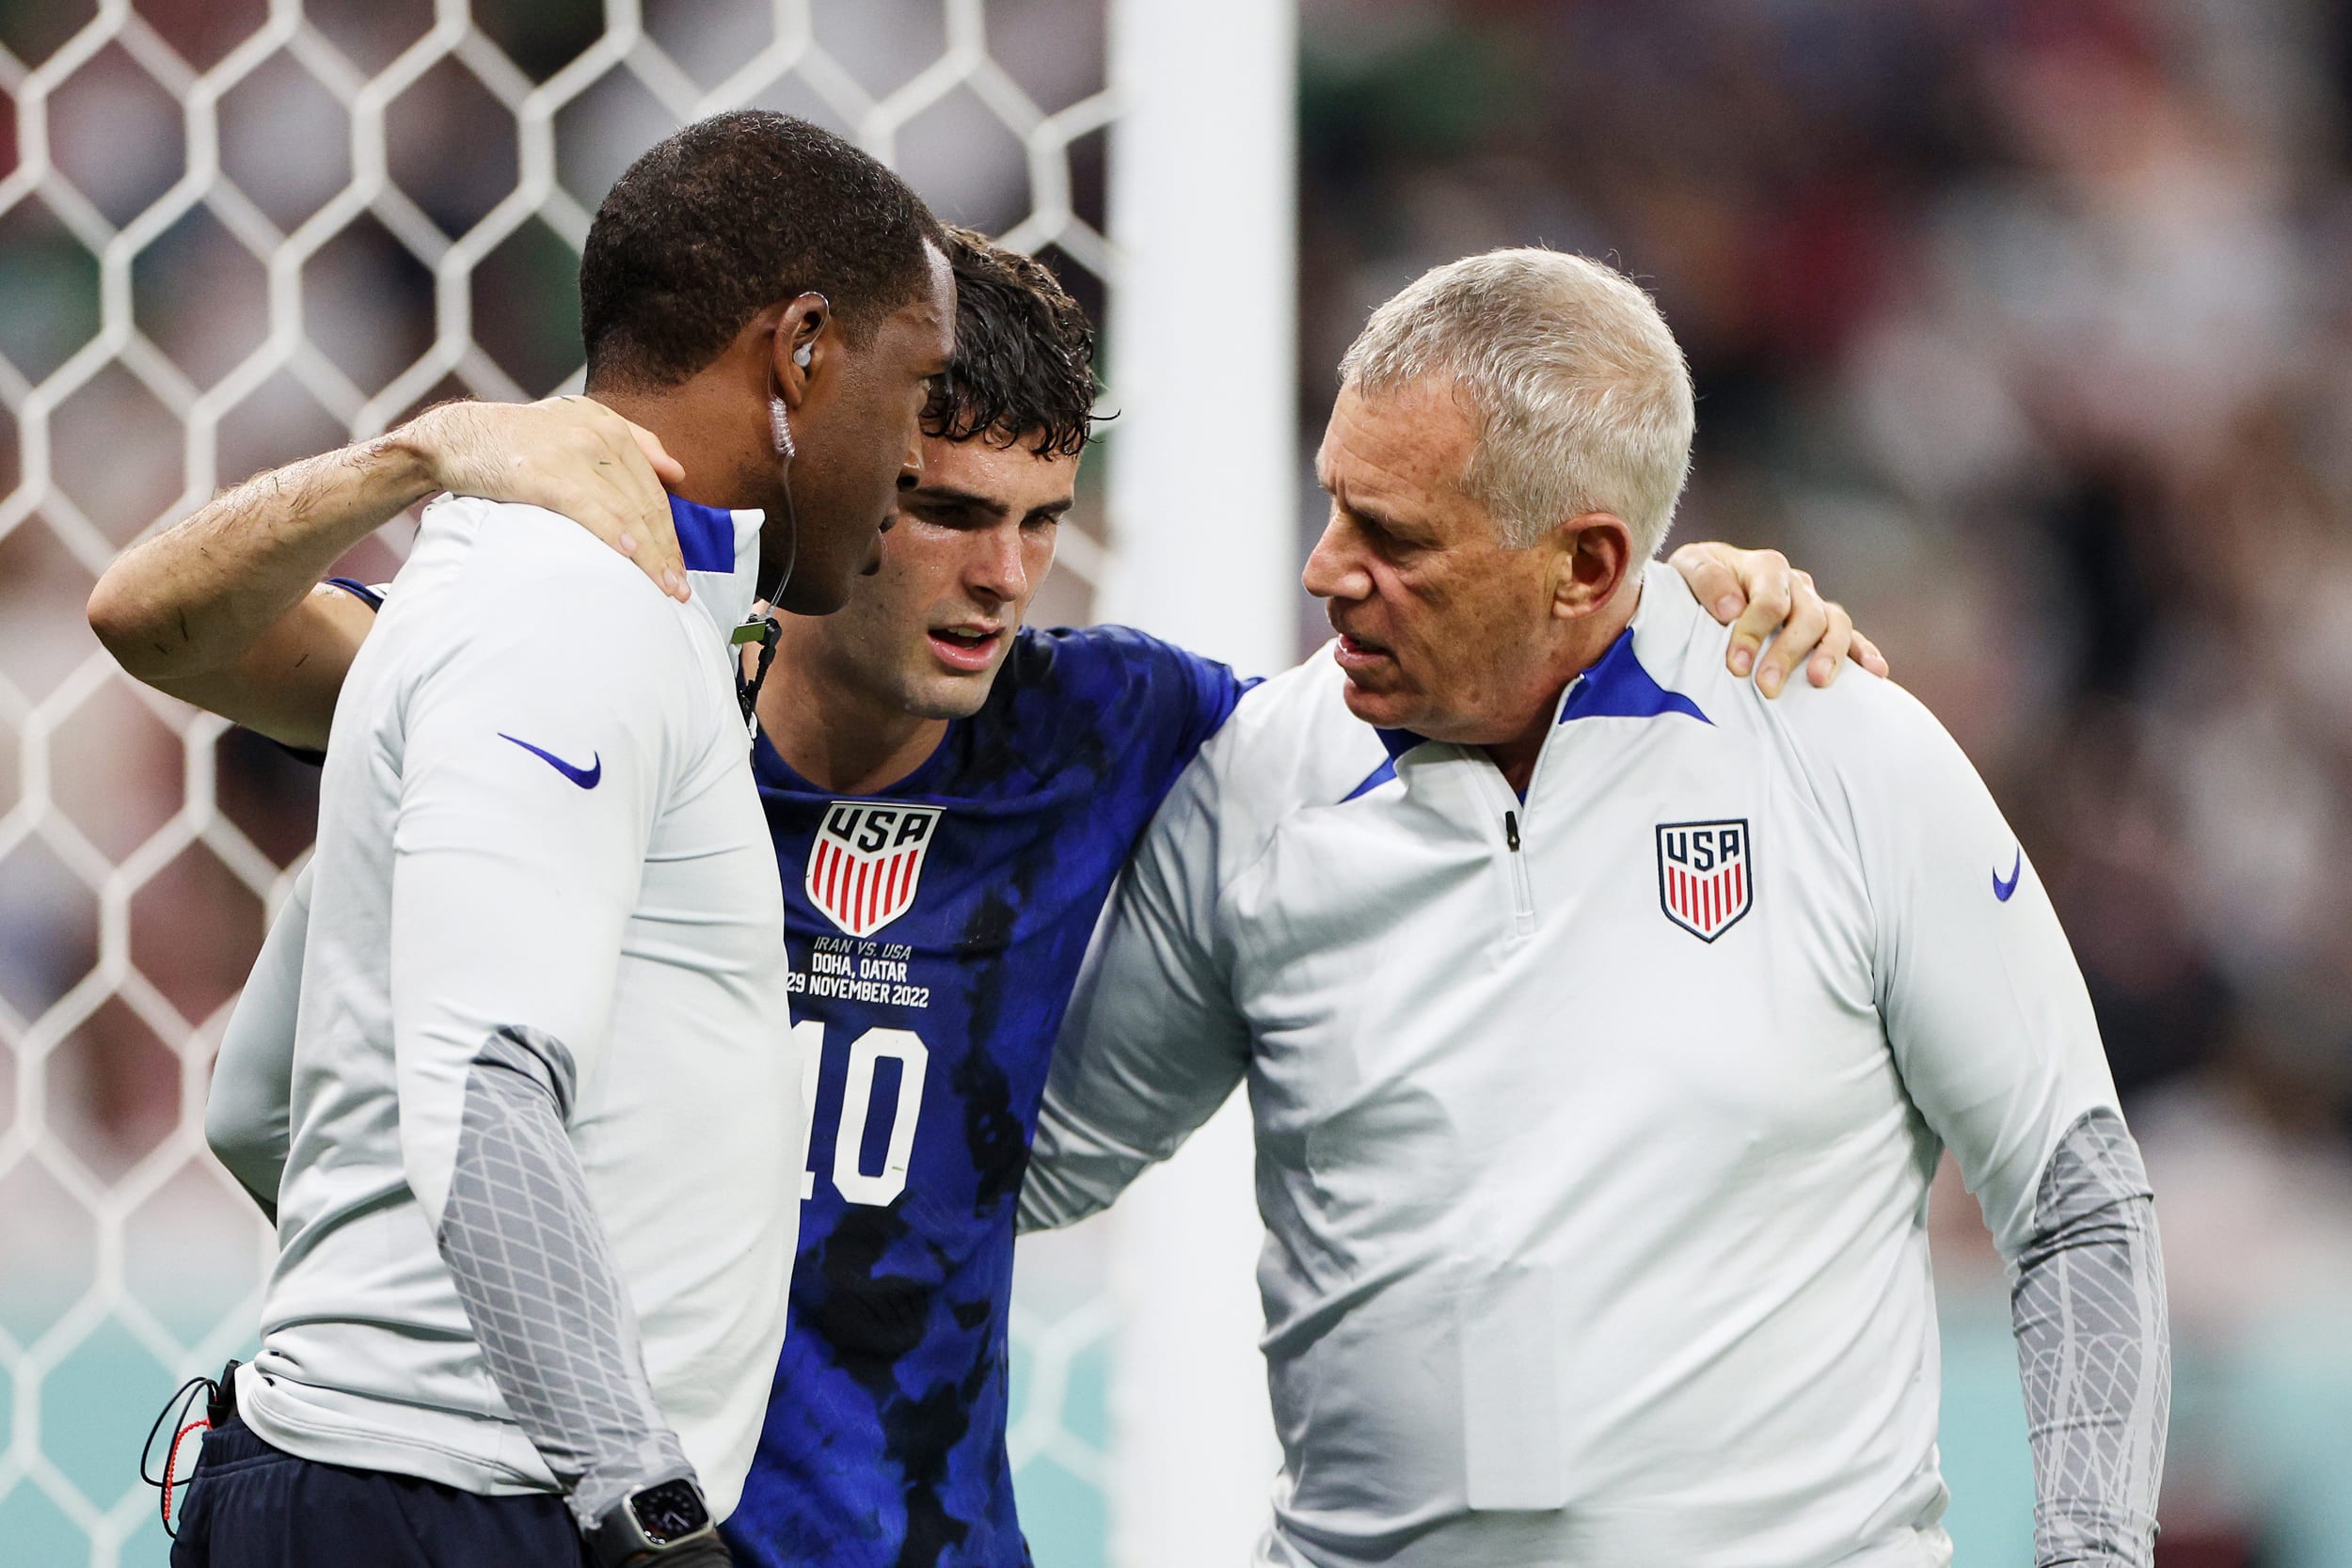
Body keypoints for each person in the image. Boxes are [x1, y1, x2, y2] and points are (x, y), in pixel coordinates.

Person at [96, 224, 1875, 1566]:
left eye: (1042, 518)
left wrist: (1660, 602)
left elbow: (1448, 695)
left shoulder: (1121, 729)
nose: (1003, 576)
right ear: (840, 464)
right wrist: (411, 462)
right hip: (589, 1513)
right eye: (948, 509)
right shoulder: (606, 694)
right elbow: (161, 623)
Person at [1018, 248, 2170, 1568]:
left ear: (1585, 563)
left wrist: (2092, 1555)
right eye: (1334, 503)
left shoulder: (1847, 753)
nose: (1325, 569)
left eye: (1391, 536)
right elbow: (1034, 1163)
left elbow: (2073, 1199)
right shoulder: (1255, 783)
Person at [90, 111, 955, 1568]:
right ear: (801, 350)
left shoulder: (616, 612)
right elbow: (480, 1081)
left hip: (415, 1487)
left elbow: (261, 1099)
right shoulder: (570, 606)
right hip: (464, 1505)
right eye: (917, 387)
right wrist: (649, 1514)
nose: (918, 454)